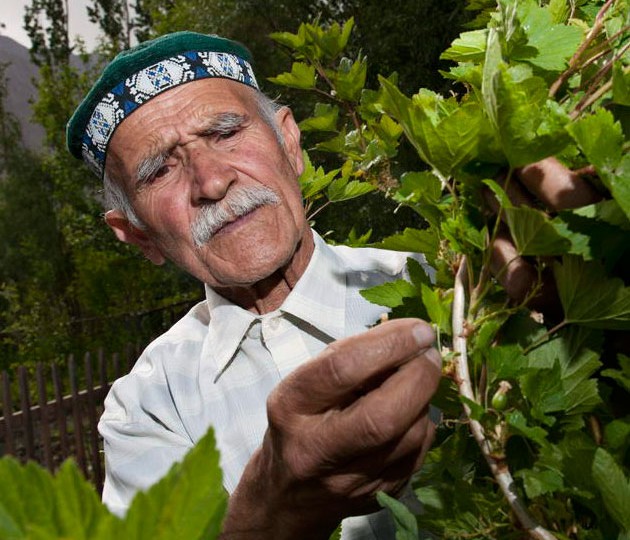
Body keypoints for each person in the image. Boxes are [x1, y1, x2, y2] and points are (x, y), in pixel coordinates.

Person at [66, 32, 442, 539]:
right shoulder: (149, 406)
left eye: (225, 133)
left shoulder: (440, 282)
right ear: (137, 235)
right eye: (160, 171)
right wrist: (271, 510)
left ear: (289, 142)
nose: (212, 182)